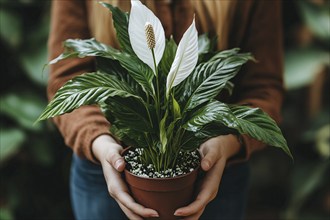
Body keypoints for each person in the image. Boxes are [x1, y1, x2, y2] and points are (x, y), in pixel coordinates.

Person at [48, 0, 284, 219]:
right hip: (103, 176)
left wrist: (227, 143)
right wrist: (101, 144)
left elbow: (264, 90)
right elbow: (65, 79)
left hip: (217, 177)